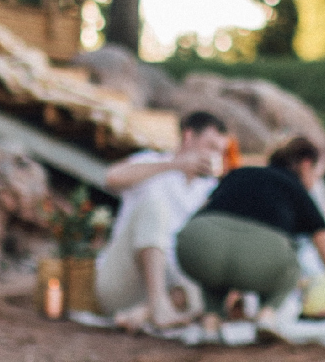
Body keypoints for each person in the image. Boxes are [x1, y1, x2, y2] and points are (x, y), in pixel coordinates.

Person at [175, 137, 325, 327]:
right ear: (307, 165)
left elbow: (203, 215)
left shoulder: (239, 173)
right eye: (319, 175)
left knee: (214, 254)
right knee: (292, 265)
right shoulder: (299, 193)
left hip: (193, 242)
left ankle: (212, 318)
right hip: (261, 256)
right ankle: (267, 315)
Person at [95, 110, 229, 329]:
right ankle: (156, 305)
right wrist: (176, 165)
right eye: (211, 147)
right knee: (154, 205)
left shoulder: (210, 191)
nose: (215, 156)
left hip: (173, 288)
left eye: (220, 152)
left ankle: (143, 313)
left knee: (205, 286)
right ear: (188, 137)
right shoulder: (152, 161)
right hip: (123, 282)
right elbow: (111, 178)